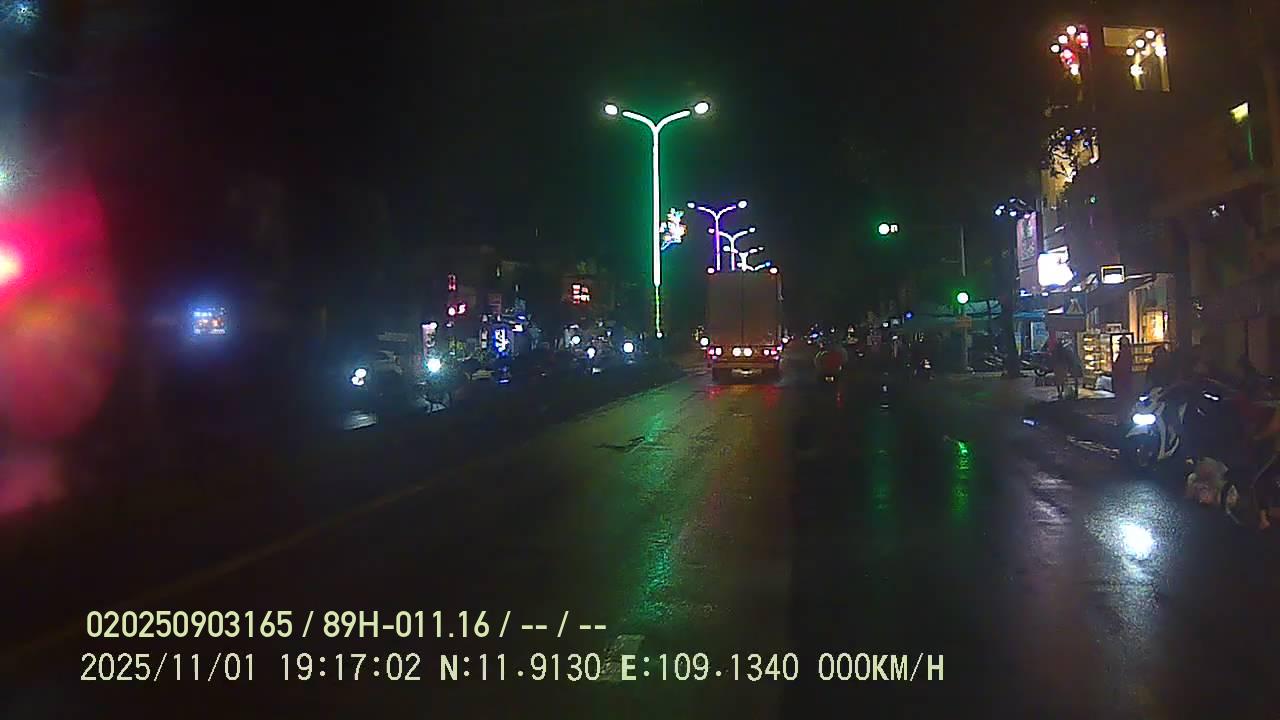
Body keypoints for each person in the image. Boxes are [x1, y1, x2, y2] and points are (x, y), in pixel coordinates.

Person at [1112, 336, 1134, 405]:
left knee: (1123, 398)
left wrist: (1114, 366)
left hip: (1122, 380)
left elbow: (1121, 366)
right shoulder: (1127, 352)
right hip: (1125, 379)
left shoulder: (1124, 353)